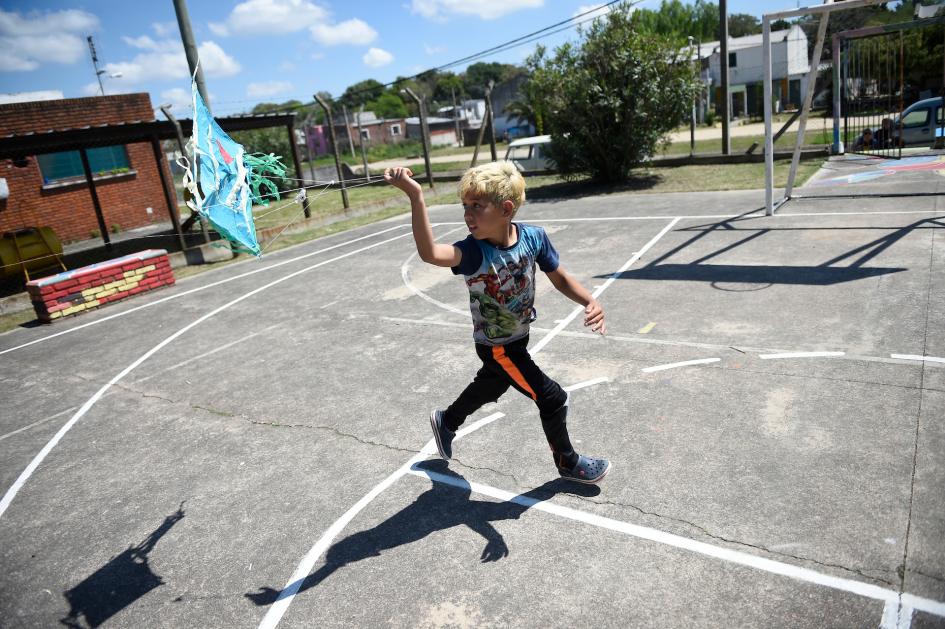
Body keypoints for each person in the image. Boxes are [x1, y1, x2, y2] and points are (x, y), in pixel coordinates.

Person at [384, 161, 611, 484]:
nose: (467, 214)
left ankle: (446, 420)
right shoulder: (473, 252)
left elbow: (558, 278)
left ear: (506, 209)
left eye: (477, 206)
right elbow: (431, 253)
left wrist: (590, 301)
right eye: (465, 206)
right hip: (498, 346)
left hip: (518, 337)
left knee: (491, 385)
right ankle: (568, 462)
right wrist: (415, 196)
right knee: (552, 397)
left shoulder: (534, 237)